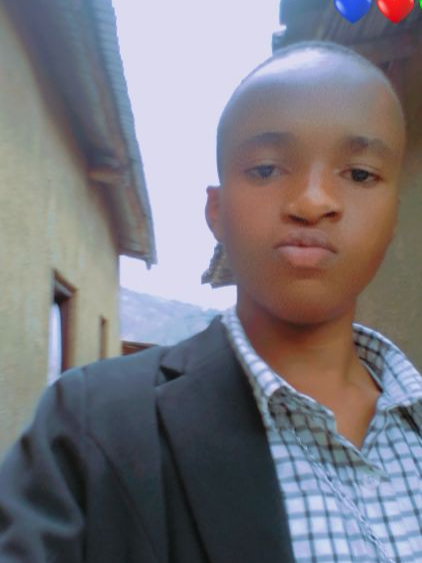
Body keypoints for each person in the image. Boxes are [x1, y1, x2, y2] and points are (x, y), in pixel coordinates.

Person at [0, 40, 420, 563]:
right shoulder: (90, 425)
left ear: (393, 214)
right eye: (266, 169)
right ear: (216, 213)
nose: (313, 202)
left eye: (359, 174)